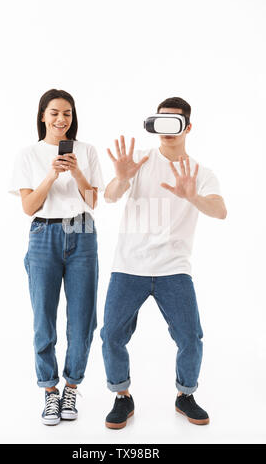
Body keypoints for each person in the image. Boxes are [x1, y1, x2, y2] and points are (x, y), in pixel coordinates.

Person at [100, 97, 227, 429]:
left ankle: (185, 395)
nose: (167, 129)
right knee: (111, 333)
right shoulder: (139, 160)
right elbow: (111, 195)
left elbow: (220, 210)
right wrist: (123, 178)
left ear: (187, 127)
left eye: (175, 122)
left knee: (190, 337)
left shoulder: (202, 173)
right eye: (161, 121)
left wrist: (192, 197)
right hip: (129, 265)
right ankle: (122, 396)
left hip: (174, 268)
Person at [8, 89, 104, 425]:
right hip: (43, 234)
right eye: (54, 113)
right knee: (43, 318)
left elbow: (92, 201)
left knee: (83, 320)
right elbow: (28, 207)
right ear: (42, 116)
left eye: (67, 113)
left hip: (83, 232)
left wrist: (76, 172)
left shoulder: (87, 151)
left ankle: (71, 387)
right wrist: (51, 174)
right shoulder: (28, 155)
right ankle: (50, 392)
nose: (61, 119)